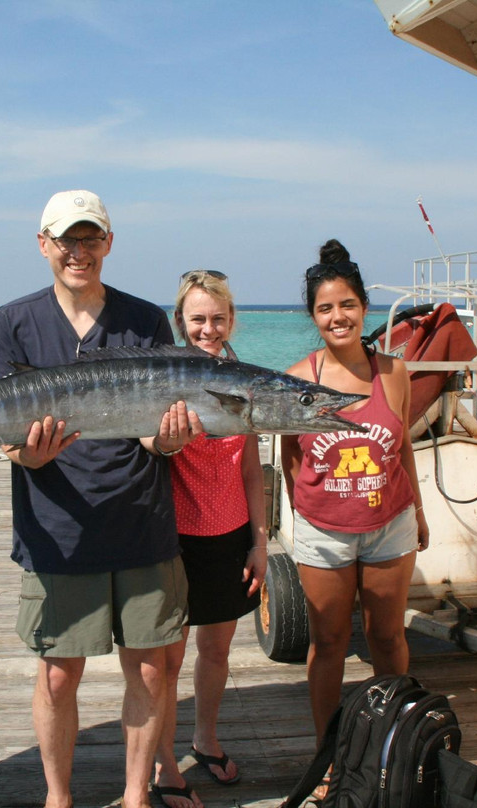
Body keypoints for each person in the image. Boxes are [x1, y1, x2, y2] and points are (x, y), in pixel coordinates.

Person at [0, 190, 200, 808]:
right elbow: (4, 430)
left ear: (109, 243)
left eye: (91, 239)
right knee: (57, 674)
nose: (79, 252)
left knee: (152, 668)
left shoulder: (144, 319)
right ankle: (59, 797)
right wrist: (29, 455)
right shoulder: (16, 322)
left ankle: (135, 796)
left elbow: (159, 433)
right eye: (66, 240)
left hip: (140, 520)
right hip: (58, 527)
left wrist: (166, 441)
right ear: (43, 244)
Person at [280, 239, 430, 800]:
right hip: (324, 534)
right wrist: (308, 515)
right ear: (313, 317)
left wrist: (417, 510)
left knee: (389, 638)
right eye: (324, 308)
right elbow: (290, 455)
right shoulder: (298, 378)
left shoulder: (394, 372)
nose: (337, 317)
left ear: (363, 308)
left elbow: (404, 445)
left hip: (390, 524)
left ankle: (393, 747)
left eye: (346, 305)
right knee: (329, 643)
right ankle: (328, 757)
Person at [151, 270, 268, 808]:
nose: (208, 328)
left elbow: (251, 468)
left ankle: (205, 738)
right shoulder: (162, 374)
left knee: (216, 651)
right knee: (167, 662)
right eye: (197, 318)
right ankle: (164, 762)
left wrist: (259, 541)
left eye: (218, 318)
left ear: (231, 320)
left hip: (230, 533)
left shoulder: (248, 381)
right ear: (181, 321)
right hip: (175, 536)